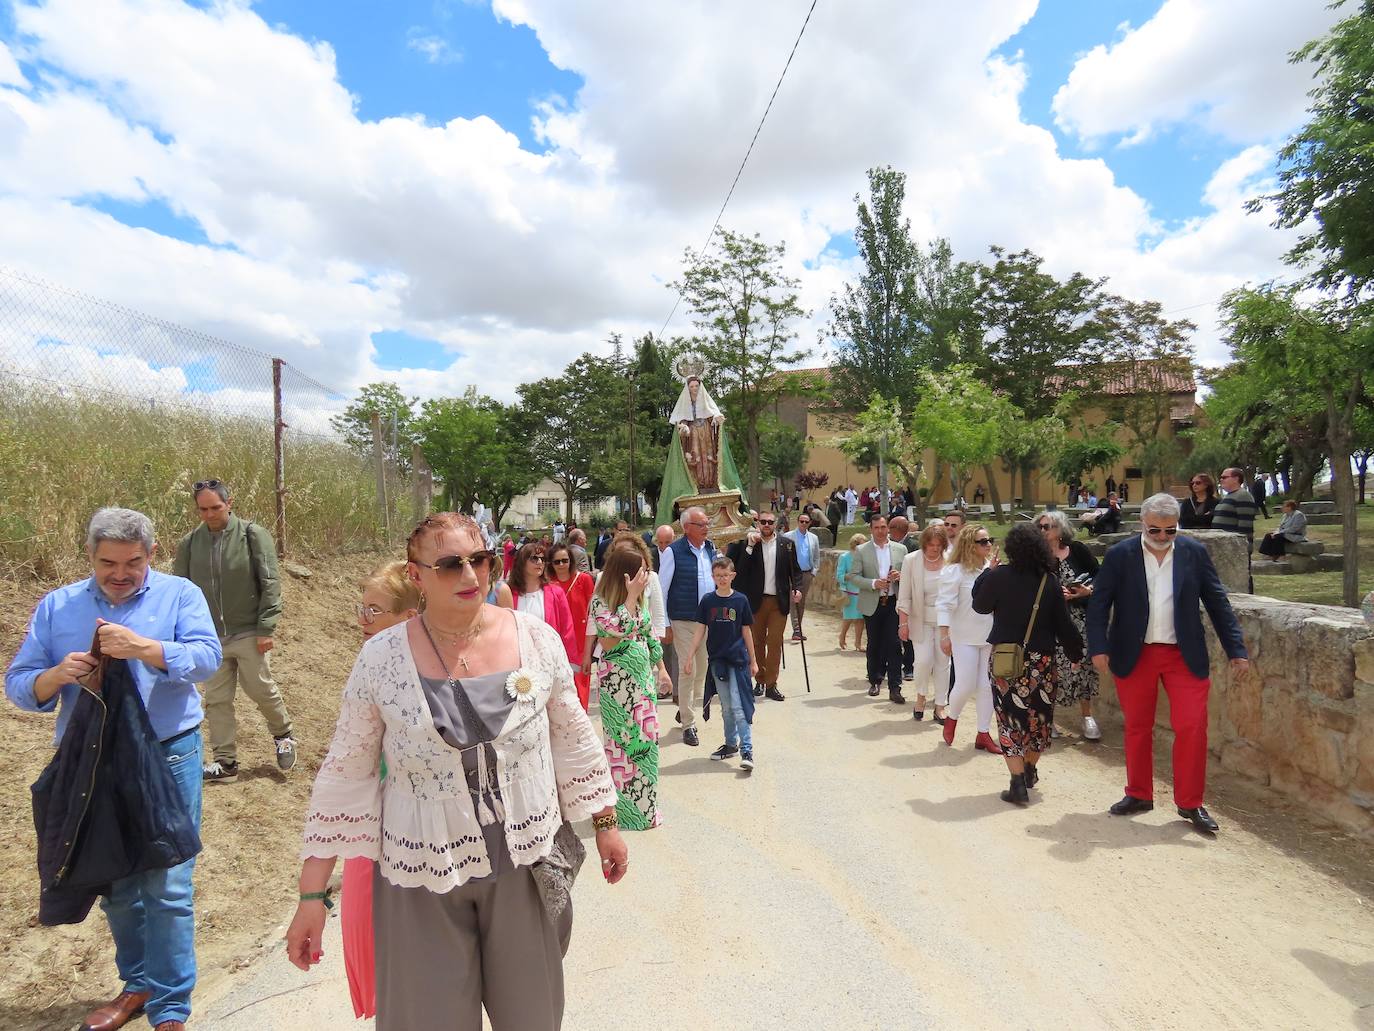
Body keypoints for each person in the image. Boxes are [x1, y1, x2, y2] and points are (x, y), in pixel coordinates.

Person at [288, 513, 626, 1029]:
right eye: (450, 565)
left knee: (532, 1016)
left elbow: (573, 737)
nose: (470, 576)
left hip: (525, 860)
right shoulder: (381, 659)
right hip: (422, 868)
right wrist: (312, 896)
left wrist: (606, 825)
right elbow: (345, 773)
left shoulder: (536, 639)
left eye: (480, 560)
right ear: (417, 575)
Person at [7, 508, 221, 1031]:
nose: (120, 573)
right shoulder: (58, 606)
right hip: (92, 763)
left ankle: (171, 1007)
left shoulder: (180, 595)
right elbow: (19, 682)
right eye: (108, 563)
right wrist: (55, 676)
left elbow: (208, 658)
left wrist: (146, 649)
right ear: (90, 557)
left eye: (133, 562)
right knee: (117, 882)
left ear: (151, 554)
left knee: (166, 884)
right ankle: (138, 985)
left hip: (169, 754)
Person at [1086, 494, 1249, 833]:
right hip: (1135, 651)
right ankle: (1139, 793)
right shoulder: (1120, 555)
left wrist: (1237, 650)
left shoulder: (1193, 553)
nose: (1161, 537)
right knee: (1137, 726)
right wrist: (1098, 647)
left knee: (1191, 726)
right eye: (1154, 530)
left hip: (1183, 653)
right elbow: (1099, 604)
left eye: (1169, 531)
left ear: (1178, 526)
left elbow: (1218, 602)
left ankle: (1190, 803)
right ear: (1142, 524)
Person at [173, 479, 296, 784]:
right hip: (209, 637)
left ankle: (283, 736)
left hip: (248, 631)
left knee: (261, 689)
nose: (210, 514)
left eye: (216, 507)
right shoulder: (189, 544)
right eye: (203, 509)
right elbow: (182, 591)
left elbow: (270, 583)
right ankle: (225, 762)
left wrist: (266, 627)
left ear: (229, 503)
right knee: (216, 700)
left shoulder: (253, 535)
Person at [344, 561, 421, 1021]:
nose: (363, 620)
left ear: (408, 617)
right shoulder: (366, 665)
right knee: (365, 930)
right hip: (368, 828)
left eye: (374, 610)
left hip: (413, 829)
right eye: (362, 608)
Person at [972, 523, 1084, 804]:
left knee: (1009, 720)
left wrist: (988, 571)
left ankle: (1017, 783)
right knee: (1040, 719)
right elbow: (1064, 626)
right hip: (1042, 663)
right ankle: (1031, 767)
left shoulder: (999, 577)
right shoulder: (1050, 581)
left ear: (1011, 549)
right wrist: (1076, 654)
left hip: (1007, 663)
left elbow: (980, 605)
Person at [590, 547, 666, 830]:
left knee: (647, 742)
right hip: (617, 687)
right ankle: (623, 811)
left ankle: (645, 810)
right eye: (641, 572)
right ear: (626, 574)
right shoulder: (600, 602)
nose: (645, 577)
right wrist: (631, 597)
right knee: (622, 744)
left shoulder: (640, 600)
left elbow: (649, 633)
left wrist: (662, 669)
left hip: (643, 684)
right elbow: (614, 632)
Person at [681, 556, 761, 771]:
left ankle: (747, 749)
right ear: (713, 577)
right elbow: (699, 630)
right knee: (726, 706)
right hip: (717, 660)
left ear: (732, 575)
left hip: (738, 660)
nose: (722, 579)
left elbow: (746, 631)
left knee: (738, 705)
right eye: (718, 576)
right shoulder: (708, 601)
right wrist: (689, 657)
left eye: (725, 575)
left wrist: (753, 661)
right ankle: (730, 744)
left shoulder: (741, 600)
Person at [1037, 510, 1103, 740]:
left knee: (1083, 667)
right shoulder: (1036, 555)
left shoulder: (1078, 550)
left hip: (1079, 618)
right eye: (1041, 527)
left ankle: (1087, 717)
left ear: (1061, 529)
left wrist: (1085, 591)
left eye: (1048, 526)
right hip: (1049, 621)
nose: (1044, 531)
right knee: (1052, 669)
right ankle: (1050, 718)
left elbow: (1099, 576)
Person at [938, 524, 1002, 754]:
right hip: (963, 635)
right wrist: (944, 635)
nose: (988, 544)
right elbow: (944, 604)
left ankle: (983, 734)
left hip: (989, 635)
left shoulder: (992, 568)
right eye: (982, 541)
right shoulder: (954, 571)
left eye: (989, 540)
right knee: (964, 684)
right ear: (969, 545)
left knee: (987, 686)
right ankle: (951, 718)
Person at [727, 510, 802, 702]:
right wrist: (750, 547)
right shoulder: (749, 544)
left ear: (775, 523)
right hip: (755, 601)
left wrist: (798, 589)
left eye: (770, 522)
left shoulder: (787, 545)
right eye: (763, 522)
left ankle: (771, 684)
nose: (766, 525)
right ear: (758, 523)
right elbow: (740, 571)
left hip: (779, 602)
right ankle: (759, 680)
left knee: (775, 643)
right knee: (757, 643)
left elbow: (796, 572)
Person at [659, 506, 716, 746]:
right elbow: (661, 589)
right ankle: (688, 725)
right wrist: (665, 624)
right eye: (701, 524)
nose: (706, 528)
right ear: (686, 528)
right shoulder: (673, 552)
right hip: (682, 619)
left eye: (706, 523)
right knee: (687, 668)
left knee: (702, 668)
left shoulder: (711, 549)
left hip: (707, 620)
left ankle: (685, 707)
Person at [844, 515, 909, 704]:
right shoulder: (862, 550)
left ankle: (895, 687)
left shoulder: (900, 549)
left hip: (893, 602)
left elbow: (908, 574)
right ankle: (875, 680)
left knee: (895, 644)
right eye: (877, 528)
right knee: (874, 643)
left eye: (883, 527)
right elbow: (853, 576)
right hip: (872, 602)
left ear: (888, 528)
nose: (881, 531)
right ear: (871, 529)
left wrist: (900, 575)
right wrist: (873, 583)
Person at [897, 524, 952, 723]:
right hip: (920, 620)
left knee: (943, 664)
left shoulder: (951, 560)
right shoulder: (911, 561)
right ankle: (921, 697)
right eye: (931, 544)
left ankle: (940, 706)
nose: (935, 548)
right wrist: (903, 623)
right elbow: (904, 595)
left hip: (946, 622)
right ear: (924, 543)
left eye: (939, 545)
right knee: (923, 661)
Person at [509, 543, 581, 666]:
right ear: (521, 562)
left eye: (543, 559)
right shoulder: (509, 593)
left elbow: (567, 629)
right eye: (534, 558)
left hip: (550, 660)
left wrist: (571, 662)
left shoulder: (556, 592)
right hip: (518, 660)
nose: (539, 562)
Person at [546, 542, 596, 710]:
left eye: (565, 560)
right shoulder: (547, 584)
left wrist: (590, 648)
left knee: (580, 689)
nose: (561, 565)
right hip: (556, 642)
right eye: (556, 561)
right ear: (551, 564)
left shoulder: (584, 580)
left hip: (581, 643)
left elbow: (592, 614)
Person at [672, 376, 725, 493]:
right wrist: (683, 426)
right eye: (692, 386)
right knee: (696, 454)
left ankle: (710, 482)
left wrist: (716, 418)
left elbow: (713, 414)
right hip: (693, 433)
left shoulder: (706, 400)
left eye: (697, 386)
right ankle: (698, 484)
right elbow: (683, 419)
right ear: (688, 388)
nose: (694, 388)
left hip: (706, 431)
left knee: (708, 454)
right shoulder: (686, 403)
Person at [1212, 467, 1258, 590]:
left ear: (1236, 479)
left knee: (1241, 579)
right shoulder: (1228, 496)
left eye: (1224, 477)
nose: (1221, 480)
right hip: (1224, 546)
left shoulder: (1243, 496)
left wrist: (1243, 547)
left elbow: (1245, 524)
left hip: (1236, 547)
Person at [785, 511, 821, 643]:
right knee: (794, 600)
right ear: (798, 522)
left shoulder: (813, 538)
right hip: (792, 574)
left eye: (806, 522)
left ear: (810, 523)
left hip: (806, 573)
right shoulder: (788, 537)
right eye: (802, 521)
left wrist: (814, 572)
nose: (804, 524)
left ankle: (798, 628)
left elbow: (817, 556)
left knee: (801, 601)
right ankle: (796, 629)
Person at [652, 525, 678, 700]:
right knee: (662, 650)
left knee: (677, 652)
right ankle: (665, 685)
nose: (663, 546)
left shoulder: (677, 554)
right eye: (660, 542)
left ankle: (677, 690)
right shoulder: (650, 556)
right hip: (655, 610)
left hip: (675, 608)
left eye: (667, 542)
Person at [836, 533, 867, 651]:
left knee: (860, 619)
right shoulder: (845, 557)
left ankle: (858, 643)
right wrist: (850, 576)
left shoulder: (865, 558)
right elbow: (839, 576)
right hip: (849, 592)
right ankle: (842, 636)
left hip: (863, 591)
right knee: (848, 618)